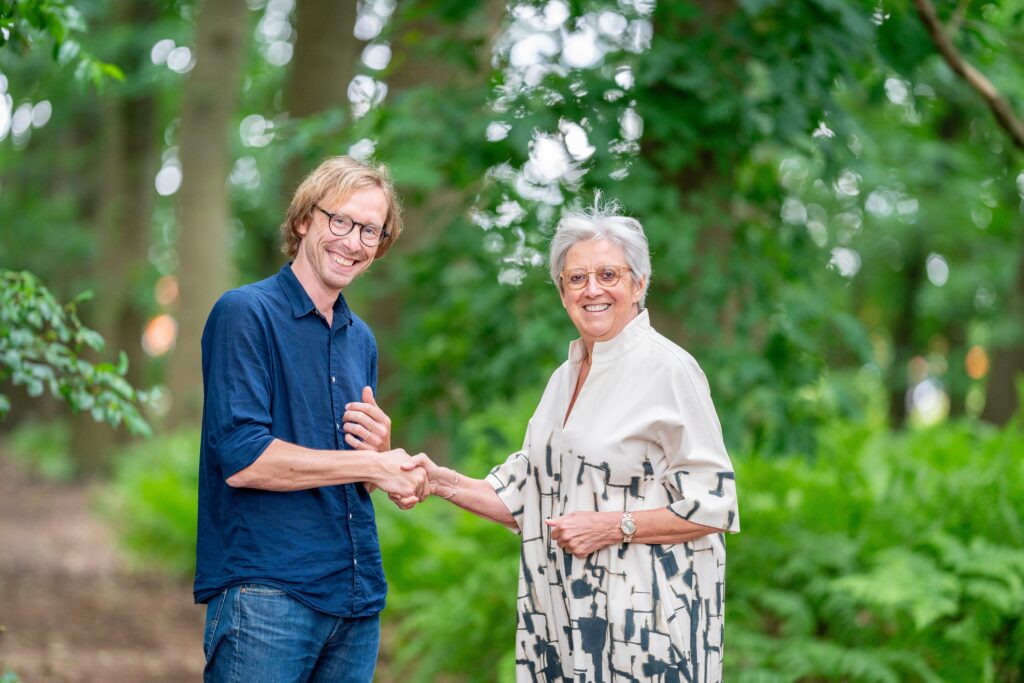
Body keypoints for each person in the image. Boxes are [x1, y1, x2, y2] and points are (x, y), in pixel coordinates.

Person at [405, 203, 740, 682]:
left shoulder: (669, 369)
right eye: (576, 278)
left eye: (608, 274)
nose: (592, 289)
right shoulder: (563, 379)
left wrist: (613, 526)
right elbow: (523, 497)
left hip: (646, 631)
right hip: (561, 623)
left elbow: (716, 505)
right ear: (562, 293)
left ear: (639, 283)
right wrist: (436, 480)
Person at [193, 156, 429, 683]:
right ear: (304, 220)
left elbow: (350, 468)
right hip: (267, 596)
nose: (353, 240)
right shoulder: (244, 313)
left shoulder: (360, 339)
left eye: (371, 230)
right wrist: (366, 465)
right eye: (339, 220)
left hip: (355, 597)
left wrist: (376, 459)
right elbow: (244, 459)